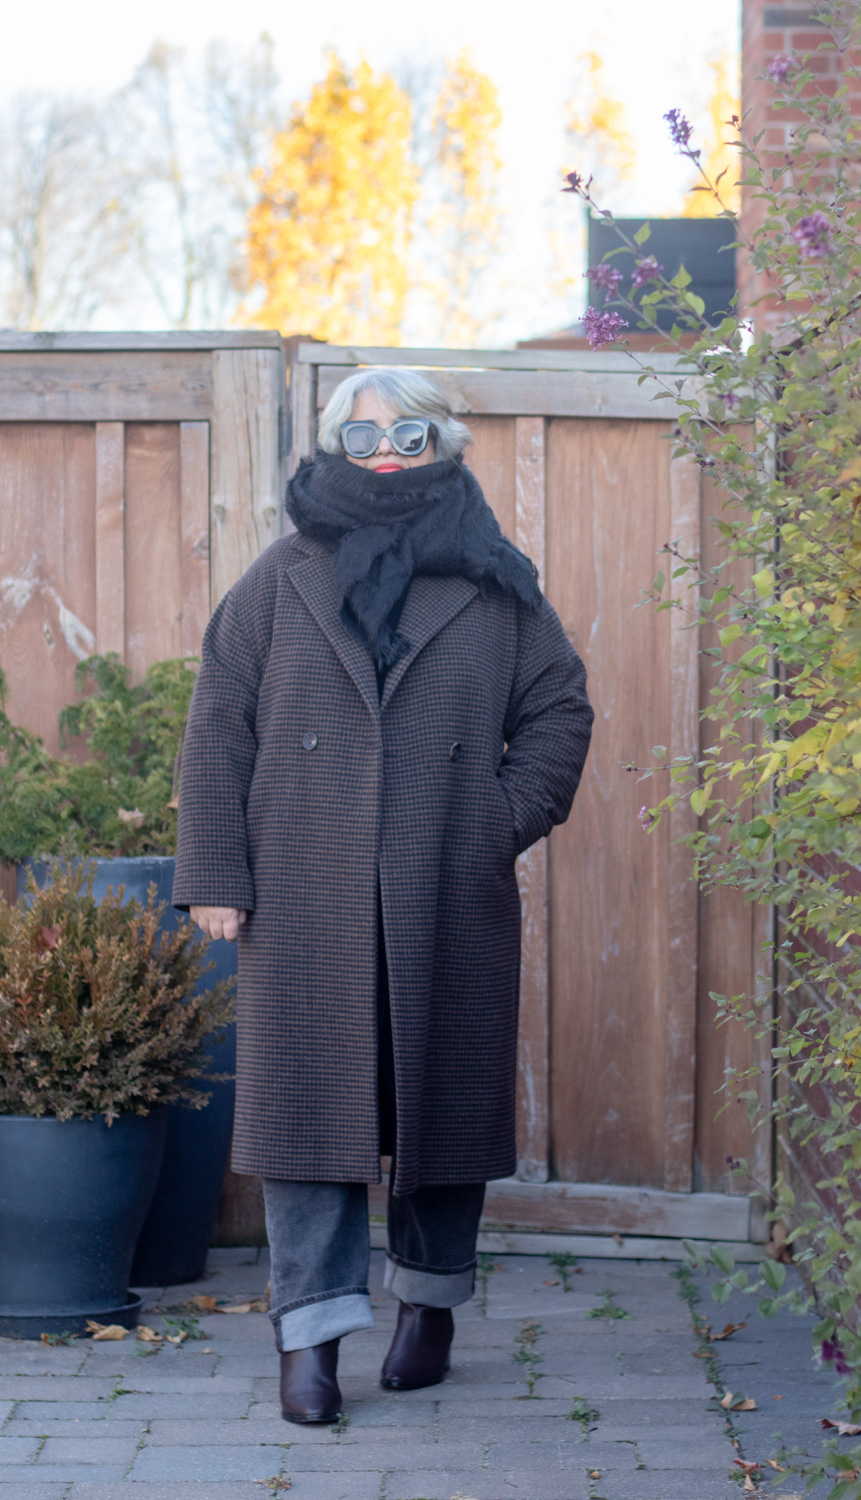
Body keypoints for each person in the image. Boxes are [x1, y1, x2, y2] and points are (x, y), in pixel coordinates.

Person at [172, 366, 594, 1424]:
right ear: (329, 452)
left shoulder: (499, 586)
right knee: (307, 1121)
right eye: (362, 438)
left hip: (446, 885)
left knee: (440, 1113)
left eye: (408, 435)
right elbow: (219, 723)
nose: (387, 454)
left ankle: (430, 1308)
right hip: (305, 892)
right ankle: (308, 1338)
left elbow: (559, 713)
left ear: (442, 445)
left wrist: (494, 822)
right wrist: (217, 872)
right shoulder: (279, 580)